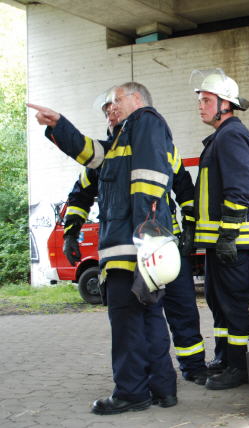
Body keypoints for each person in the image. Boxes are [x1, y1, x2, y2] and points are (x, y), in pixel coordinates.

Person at [28, 82, 178, 414]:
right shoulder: (123, 138)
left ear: (137, 100)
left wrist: (145, 242)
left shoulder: (145, 122)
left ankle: (131, 393)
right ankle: (162, 390)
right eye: (107, 105)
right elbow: (92, 155)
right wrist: (59, 125)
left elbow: (149, 182)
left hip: (131, 247)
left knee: (126, 323)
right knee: (149, 318)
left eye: (115, 101)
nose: (109, 108)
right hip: (139, 246)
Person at [62, 94, 209, 387]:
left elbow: (184, 188)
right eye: (105, 110)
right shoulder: (102, 156)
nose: (110, 114)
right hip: (133, 253)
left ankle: (193, 366)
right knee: (147, 316)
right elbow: (79, 195)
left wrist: (190, 225)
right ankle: (157, 379)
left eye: (113, 107)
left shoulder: (157, 145)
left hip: (167, 247)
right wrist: (71, 230)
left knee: (182, 309)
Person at [191, 68, 249, 390]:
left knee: (237, 307)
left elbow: (241, 186)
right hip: (220, 244)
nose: (200, 105)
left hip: (233, 243)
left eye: (206, 100)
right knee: (219, 303)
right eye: (200, 100)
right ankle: (225, 358)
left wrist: (228, 233)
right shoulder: (220, 137)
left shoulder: (232, 135)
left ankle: (242, 368)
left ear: (226, 104)